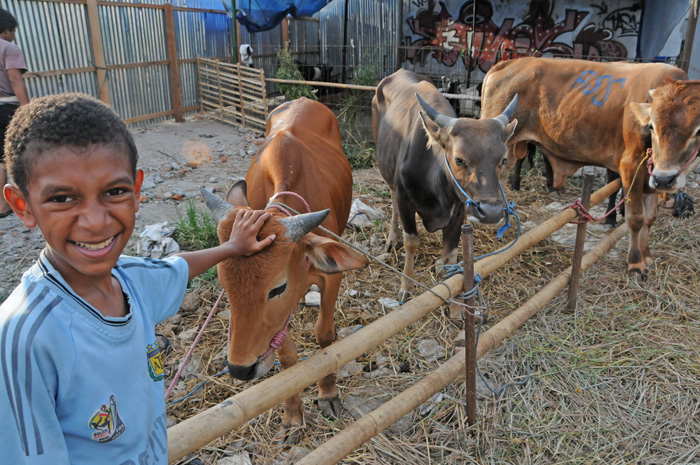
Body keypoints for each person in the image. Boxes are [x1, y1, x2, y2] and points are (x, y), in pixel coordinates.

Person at [0, 93, 276, 464]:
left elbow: (177, 268)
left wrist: (232, 248)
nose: (96, 221)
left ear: (137, 190)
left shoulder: (130, 279)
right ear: (22, 206)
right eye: (63, 199)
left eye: (114, 192)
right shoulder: (24, 339)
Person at [0, 7, 28, 218]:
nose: (14, 35)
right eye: (13, 31)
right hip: (8, 107)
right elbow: (14, 78)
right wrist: (27, 108)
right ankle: (21, 200)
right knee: (19, 152)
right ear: (6, 29)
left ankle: (2, 204)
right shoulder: (8, 48)